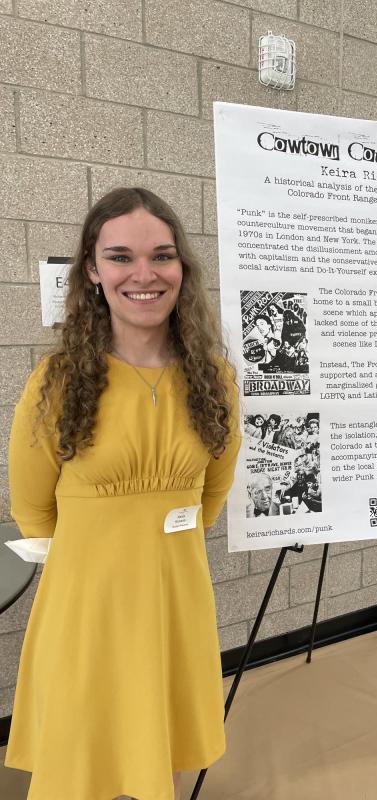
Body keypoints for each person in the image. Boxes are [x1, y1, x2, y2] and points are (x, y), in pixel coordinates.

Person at [4, 187, 241, 800]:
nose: (144, 274)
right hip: (89, 604)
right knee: (86, 758)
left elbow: (212, 491)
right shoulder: (56, 382)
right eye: (120, 257)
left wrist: (156, 548)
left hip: (174, 597)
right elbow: (31, 507)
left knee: (164, 747)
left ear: (181, 269)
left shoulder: (215, 379)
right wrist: (101, 561)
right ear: (91, 269)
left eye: (162, 256)